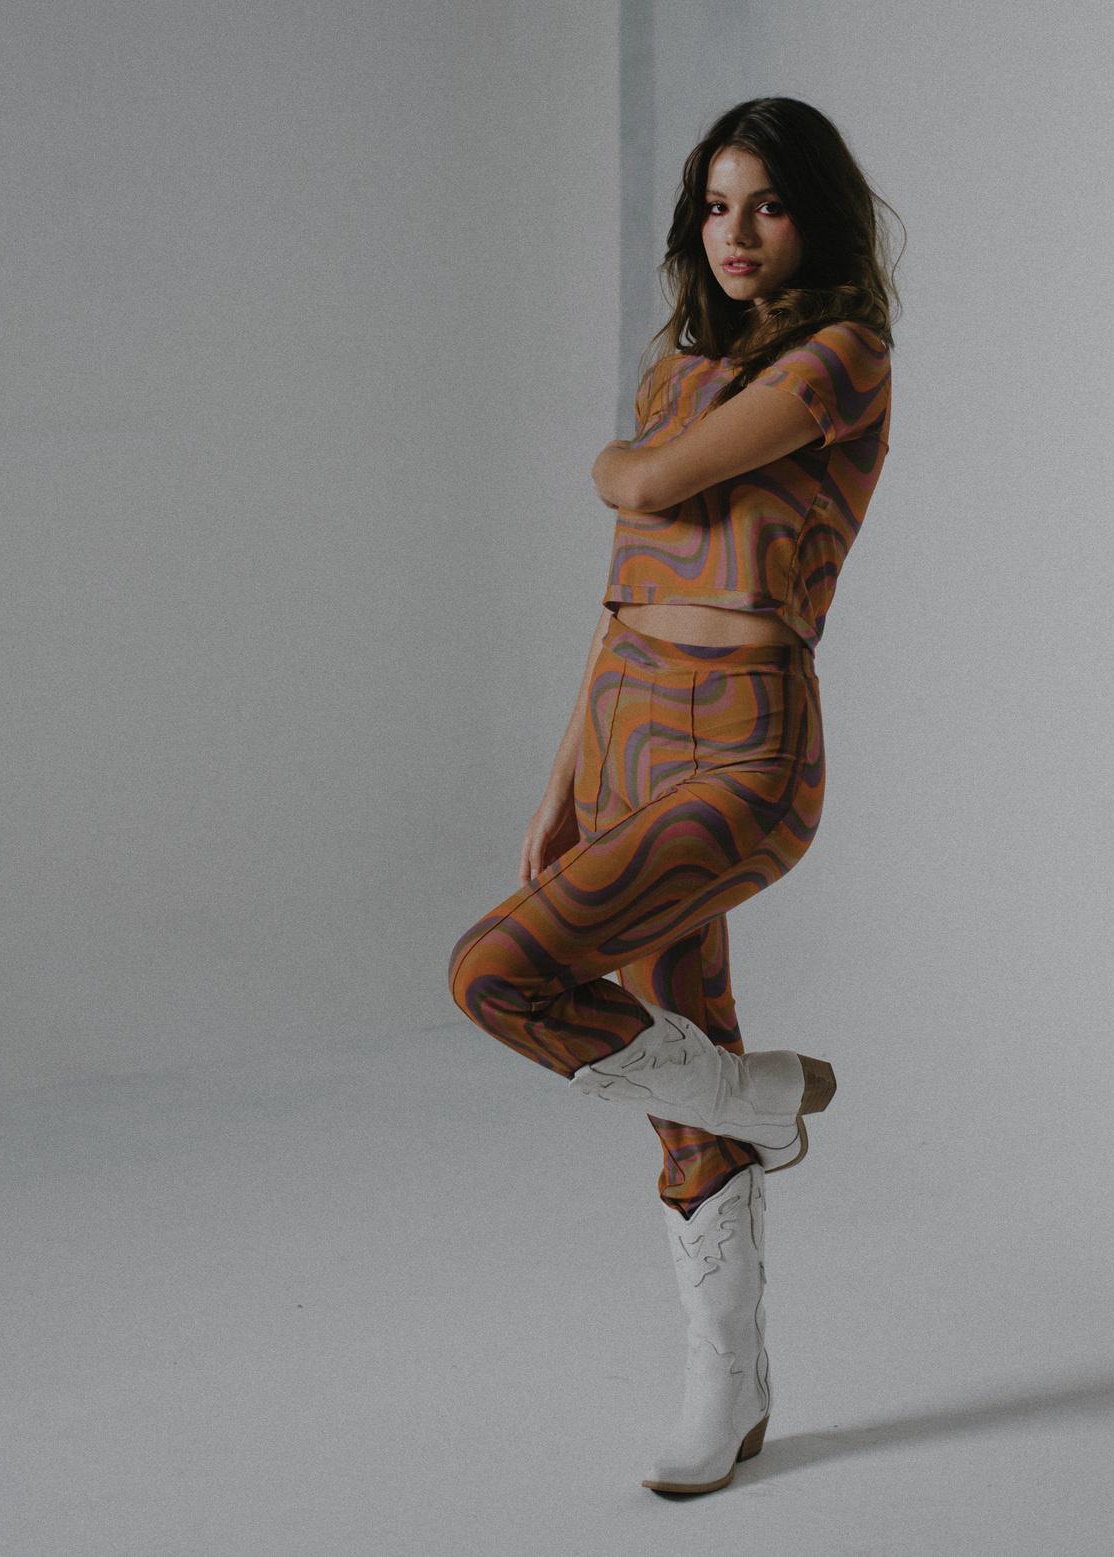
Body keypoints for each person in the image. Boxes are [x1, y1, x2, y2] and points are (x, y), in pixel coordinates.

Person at [447, 95, 901, 1496]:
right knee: (683, 1081)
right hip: (629, 726)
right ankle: (730, 1382)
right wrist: (564, 776)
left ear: (815, 217)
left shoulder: (841, 358)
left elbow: (641, 482)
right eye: (715, 205)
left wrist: (603, 464)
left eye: (766, 204)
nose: (735, 233)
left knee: (495, 973)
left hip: (746, 744)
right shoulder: (677, 365)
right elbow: (624, 593)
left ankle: (757, 1095)